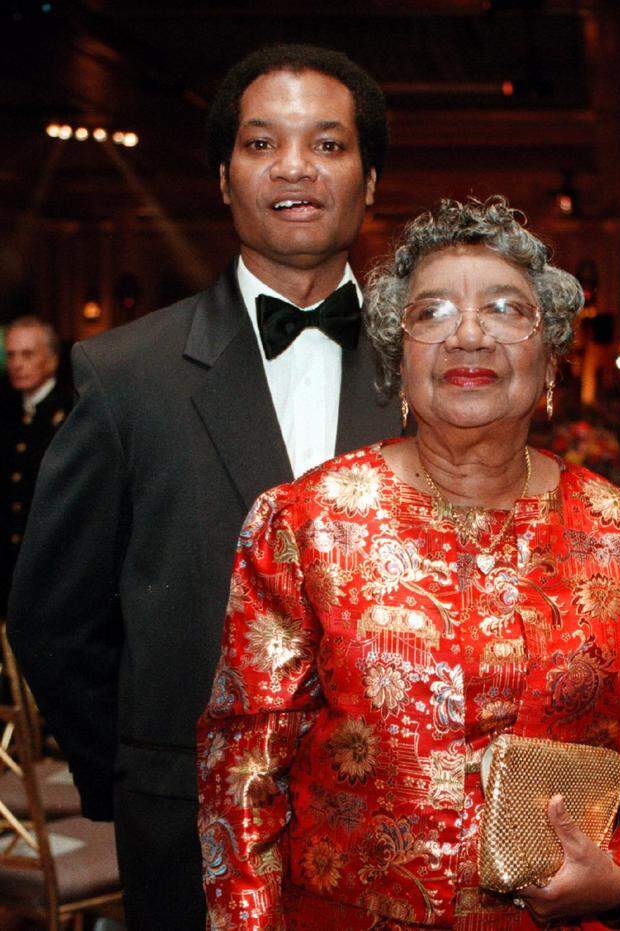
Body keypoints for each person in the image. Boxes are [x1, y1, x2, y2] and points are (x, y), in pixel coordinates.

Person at [197, 196, 620, 930]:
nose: (468, 334)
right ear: (398, 358)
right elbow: (242, 767)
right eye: (432, 312)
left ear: (550, 358)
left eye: (505, 310)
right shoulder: (305, 527)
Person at [7, 44, 401, 929]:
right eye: (262, 144)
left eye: (328, 144)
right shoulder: (126, 374)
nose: (294, 167)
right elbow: (52, 618)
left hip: (400, 835)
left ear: (370, 180)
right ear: (224, 178)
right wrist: (142, 771)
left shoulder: (432, 370)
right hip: (189, 832)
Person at [0, 316, 69, 602]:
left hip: (50, 566)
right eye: (11, 355)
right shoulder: (8, 412)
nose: (17, 364)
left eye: (27, 354)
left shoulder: (69, 413)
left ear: (51, 360)